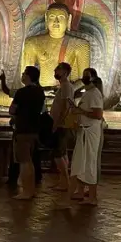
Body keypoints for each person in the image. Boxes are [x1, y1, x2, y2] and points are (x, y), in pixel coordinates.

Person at [3, 66, 45, 199]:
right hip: (35, 129)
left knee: (24, 161)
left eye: (23, 73)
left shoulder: (22, 92)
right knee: (30, 161)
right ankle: (31, 189)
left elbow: (12, 110)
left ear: (28, 76)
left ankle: (26, 191)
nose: (21, 75)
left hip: (23, 129)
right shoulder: (40, 92)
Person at [65, 68, 104, 206]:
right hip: (84, 131)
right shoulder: (87, 93)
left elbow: (98, 114)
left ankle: (91, 196)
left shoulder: (94, 93)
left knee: (89, 163)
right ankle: (79, 192)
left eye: (86, 75)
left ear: (93, 78)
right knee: (80, 163)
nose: (83, 78)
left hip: (90, 132)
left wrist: (79, 111)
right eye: (83, 75)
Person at [50, 62, 75, 191]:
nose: (55, 72)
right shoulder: (63, 87)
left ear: (65, 72)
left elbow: (66, 108)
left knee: (58, 153)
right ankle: (63, 181)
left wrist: (57, 123)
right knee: (62, 153)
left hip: (61, 125)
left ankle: (65, 181)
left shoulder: (66, 87)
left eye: (58, 70)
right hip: (60, 124)